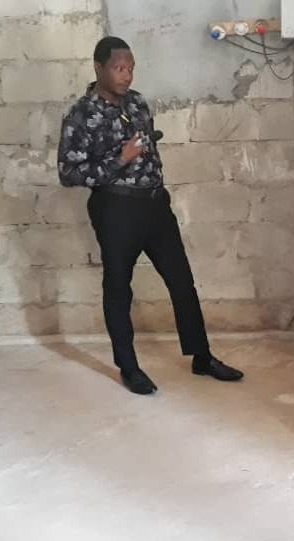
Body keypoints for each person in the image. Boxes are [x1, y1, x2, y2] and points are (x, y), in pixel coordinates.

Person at [57, 36, 244, 395]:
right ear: (98, 68)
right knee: (118, 288)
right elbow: (68, 173)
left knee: (182, 282)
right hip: (116, 209)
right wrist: (121, 159)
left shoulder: (137, 102)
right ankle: (129, 367)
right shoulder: (80, 115)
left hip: (155, 206)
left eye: (130, 68)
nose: (126, 75)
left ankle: (202, 357)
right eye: (119, 68)